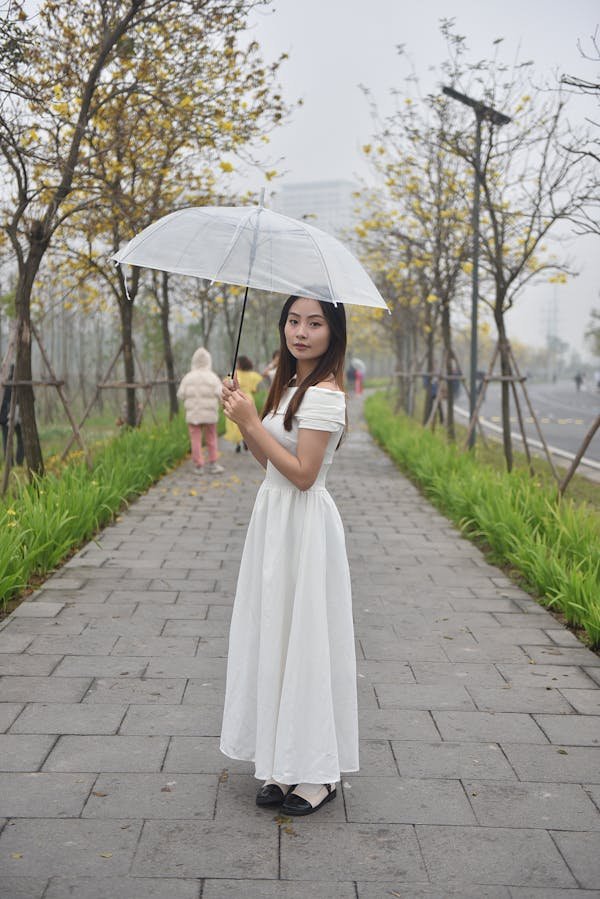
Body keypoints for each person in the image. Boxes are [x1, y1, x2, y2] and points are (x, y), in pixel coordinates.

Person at [220, 294, 358, 816]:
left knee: (306, 642)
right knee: (275, 634)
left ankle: (319, 771)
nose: (301, 331)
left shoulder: (324, 393)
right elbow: (270, 465)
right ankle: (282, 762)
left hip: (304, 526)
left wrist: (253, 423)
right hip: (273, 522)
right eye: (293, 321)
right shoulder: (290, 385)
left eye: (315, 323)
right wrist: (244, 420)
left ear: (333, 333)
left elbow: (302, 476)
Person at [177, 347, 224, 475]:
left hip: (193, 415)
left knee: (195, 439)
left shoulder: (188, 377)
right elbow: (220, 393)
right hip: (210, 415)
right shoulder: (213, 377)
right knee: (211, 438)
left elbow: (180, 394)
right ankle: (213, 463)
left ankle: (199, 465)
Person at [224, 356, 263, 453]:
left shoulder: (234, 373)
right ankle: (246, 439)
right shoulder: (252, 375)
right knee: (247, 419)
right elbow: (255, 389)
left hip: (236, 397)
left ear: (239, 364)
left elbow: (227, 383)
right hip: (248, 398)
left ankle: (238, 443)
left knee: (235, 421)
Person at [0, 364, 25, 466]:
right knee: (14, 440)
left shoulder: (7, 383)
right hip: (8, 417)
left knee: (14, 439)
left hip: (15, 416)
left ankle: (15, 462)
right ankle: (14, 462)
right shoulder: (5, 383)